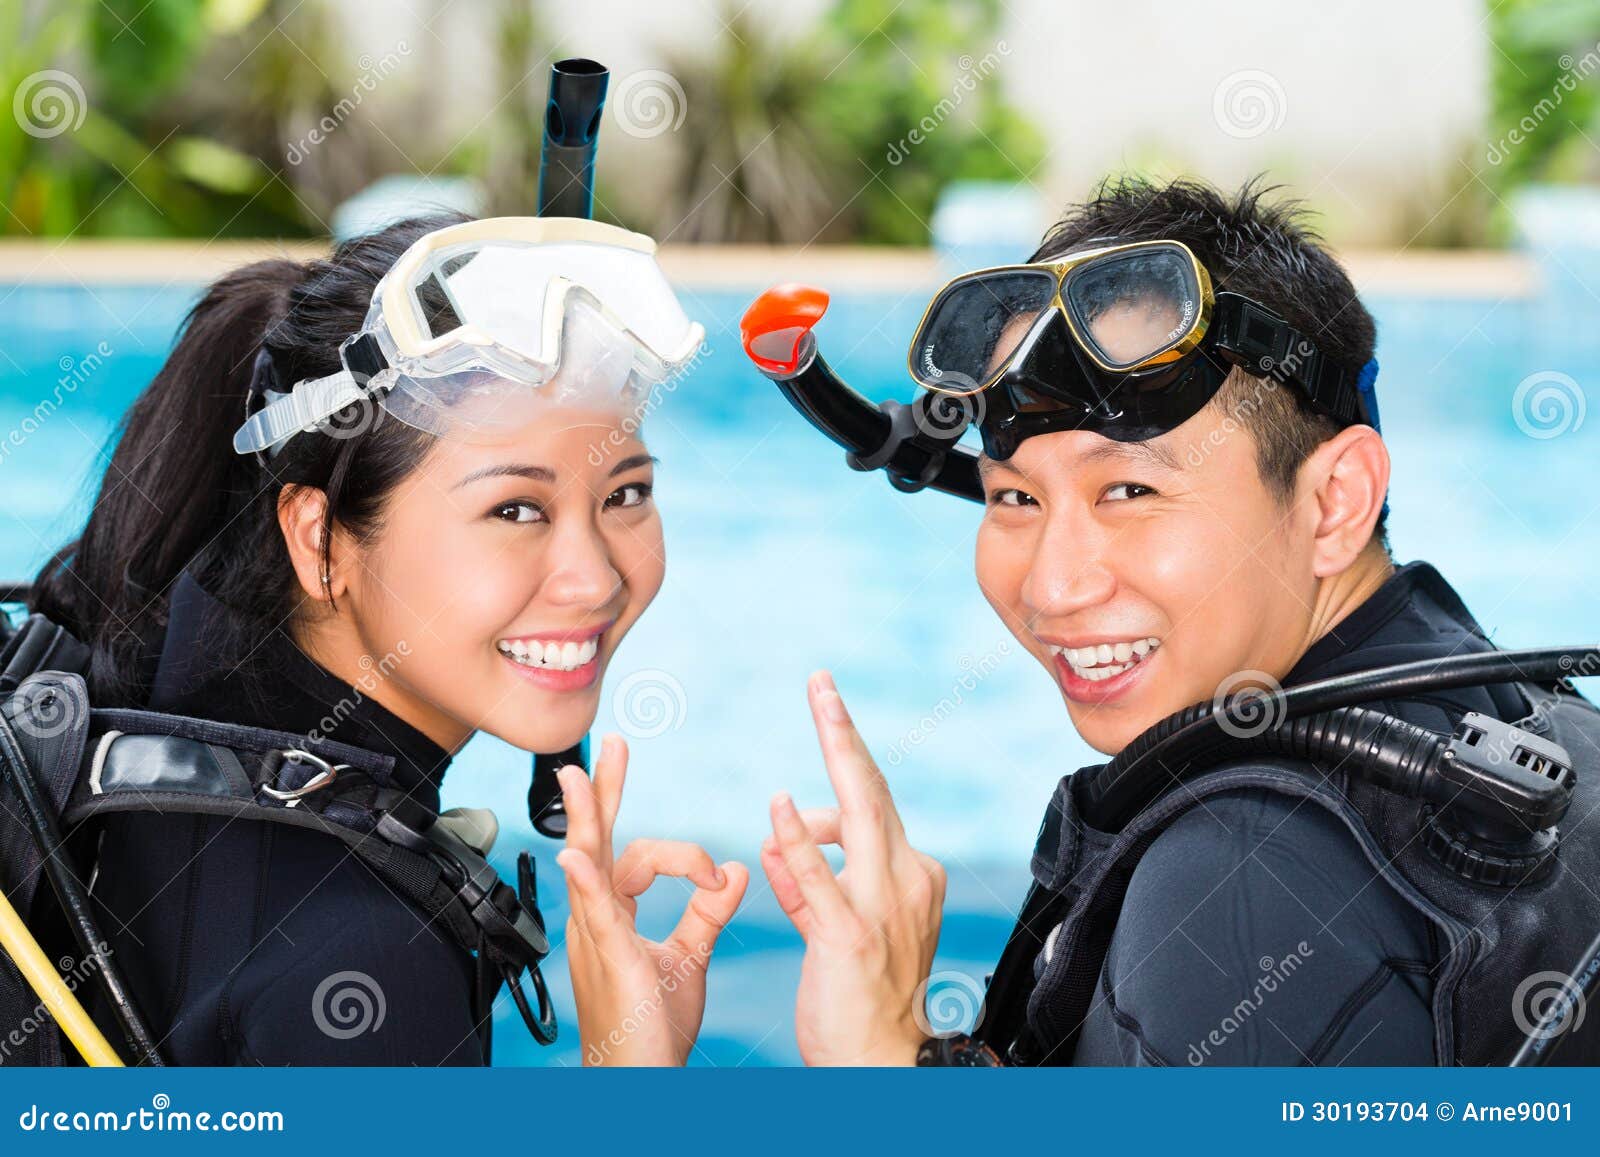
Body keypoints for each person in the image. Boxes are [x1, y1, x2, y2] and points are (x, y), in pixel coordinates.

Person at [743, 176, 1600, 1066]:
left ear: (1337, 499)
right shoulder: (1513, 708)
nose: (1053, 585)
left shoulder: (1239, 891)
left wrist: (878, 1061)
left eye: (1129, 489)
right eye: (1014, 497)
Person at [25, 213, 748, 1065]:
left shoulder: (132, 692)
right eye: (515, 508)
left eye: (625, 493)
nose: (593, 578)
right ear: (318, 540)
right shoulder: (367, 973)